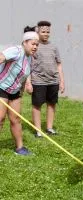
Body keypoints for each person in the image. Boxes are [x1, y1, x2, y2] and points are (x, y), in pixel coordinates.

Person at [0, 26, 39, 155]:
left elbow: (22, 77)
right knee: (0, 118)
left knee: (16, 119)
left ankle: (20, 148)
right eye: (33, 44)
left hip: (15, 92)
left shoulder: (29, 59)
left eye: (37, 45)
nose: (35, 47)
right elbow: (1, 57)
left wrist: (23, 89)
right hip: (2, 87)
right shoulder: (16, 51)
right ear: (25, 42)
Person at [29, 21, 65, 137]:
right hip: (38, 81)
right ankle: (38, 130)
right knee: (37, 105)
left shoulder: (54, 47)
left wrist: (61, 81)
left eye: (48, 32)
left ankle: (49, 128)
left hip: (53, 81)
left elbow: (59, 64)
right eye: (43, 31)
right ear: (37, 31)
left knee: (52, 104)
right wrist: (28, 82)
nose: (46, 34)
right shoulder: (34, 46)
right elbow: (28, 64)